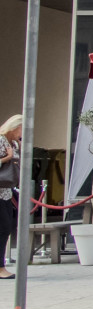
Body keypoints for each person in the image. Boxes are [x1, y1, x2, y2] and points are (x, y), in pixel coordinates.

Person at [0, 115, 21, 280]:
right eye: (21, 129)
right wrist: (7, 157)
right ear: (14, 127)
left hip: (6, 191)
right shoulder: (1, 140)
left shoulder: (13, 143)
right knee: (3, 228)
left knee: (7, 228)